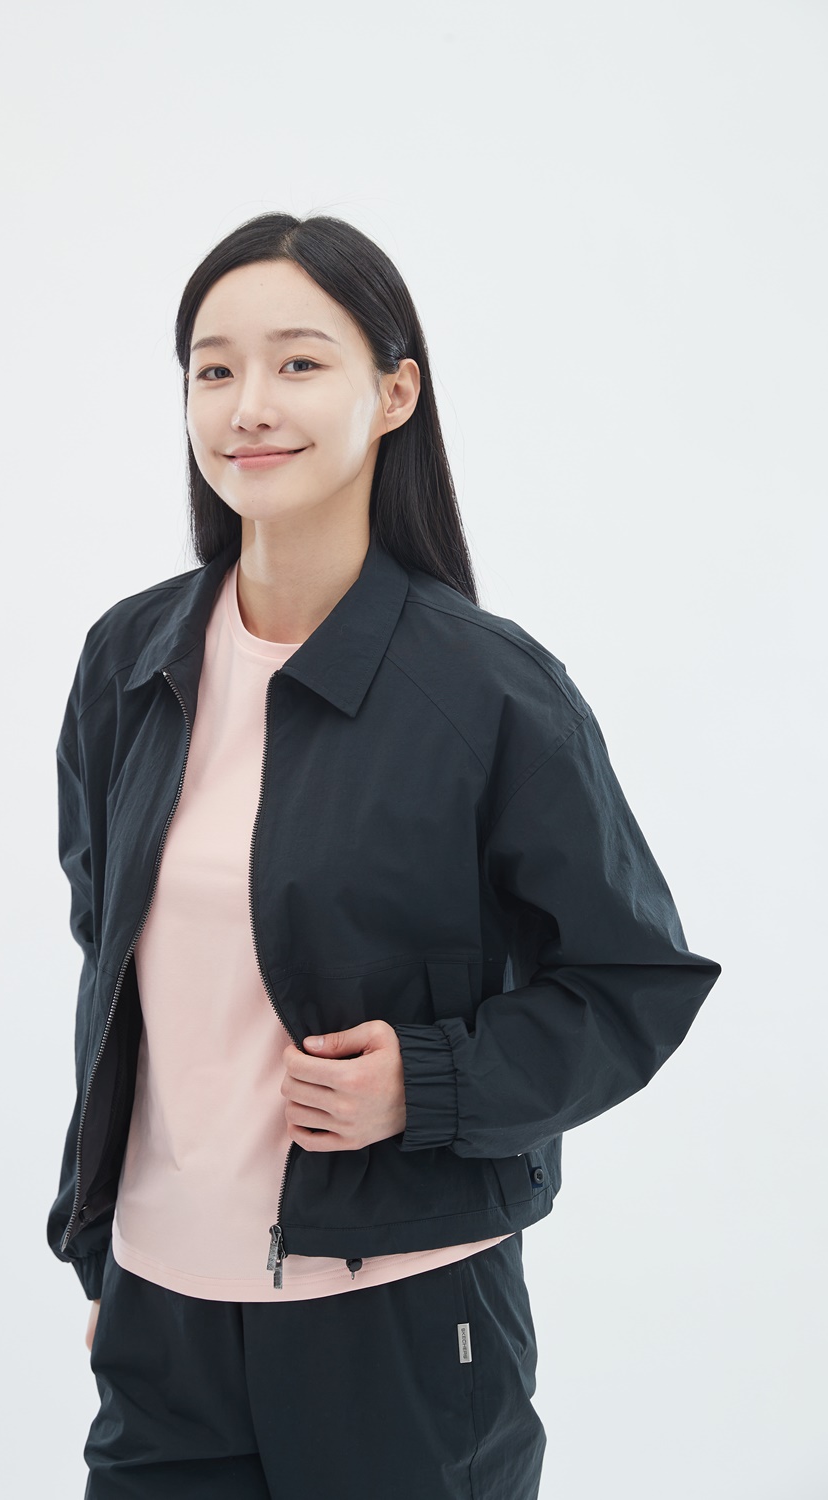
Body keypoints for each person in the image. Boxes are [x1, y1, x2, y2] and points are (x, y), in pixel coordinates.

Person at [46, 211, 722, 1500]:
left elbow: (634, 981)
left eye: (299, 362)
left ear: (395, 392)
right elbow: (111, 961)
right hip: (161, 1311)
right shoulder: (128, 661)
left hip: (402, 1317)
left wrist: (430, 1085)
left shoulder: (488, 690)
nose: (249, 403)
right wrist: (109, 1262)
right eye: (214, 368)